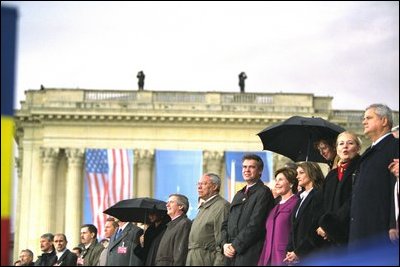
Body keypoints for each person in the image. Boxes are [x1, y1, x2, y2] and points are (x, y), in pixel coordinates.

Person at [349, 104, 399, 260]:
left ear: (384, 121)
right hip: (360, 229)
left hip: (379, 230)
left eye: (369, 118)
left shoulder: (394, 146)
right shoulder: (370, 151)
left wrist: (393, 223)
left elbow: (395, 187)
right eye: (364, 118)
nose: (364, 122)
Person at [220, 154, 274, 266]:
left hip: (249, 253)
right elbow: (226, 223)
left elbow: (256, 224)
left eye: (251, 167)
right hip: (230, 253)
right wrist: (224, 244)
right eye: (244, 167)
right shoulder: (238, 194)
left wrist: (235, 245)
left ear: (260, 171)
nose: (247, 170)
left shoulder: (264, 192)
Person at [316, 131, 361, 249]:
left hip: (350, 235)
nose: (345, 146)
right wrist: (322, 226)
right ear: (337, 149)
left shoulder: (362, 169)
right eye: (341, 144)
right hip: (328, 239)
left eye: (350, 143)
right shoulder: (332, 175)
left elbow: (353, 201)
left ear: (358, 148)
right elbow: (322, 205)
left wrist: (329, 226)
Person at [283, 161, 325, 265]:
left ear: (311, 173)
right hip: (296, 255)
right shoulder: (301, 197)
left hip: (311, 254)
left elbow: (314, 227)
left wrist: (299, 252)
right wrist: (290, 250)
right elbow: (294, 226)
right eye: (297, 173)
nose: (297, 176)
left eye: (301, 172)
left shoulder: (318, 195)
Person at [258, 167, 299, 266]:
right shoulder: (275, 206)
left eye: (280, 180)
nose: (276, 183)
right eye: (276, 180)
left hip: (285, 258)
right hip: (268, 257)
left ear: (291, 183)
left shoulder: (296, 203)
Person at [186, 173, 230, 266]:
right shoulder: (203, 207)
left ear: (214, 187)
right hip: (193, 259)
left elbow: (222, 241)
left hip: (207, 260)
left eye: (204, 184)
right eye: (198, 184)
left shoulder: (222, 206)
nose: (199, 187)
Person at [155, 194, 192, 266]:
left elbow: (180, 255)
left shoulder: (184, 224)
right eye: (167, 202)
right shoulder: (171, 225)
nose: (167, 205)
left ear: (180, 206)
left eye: (171, 202)